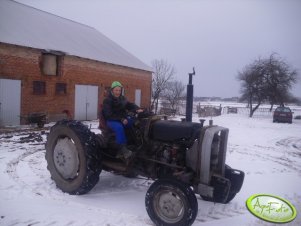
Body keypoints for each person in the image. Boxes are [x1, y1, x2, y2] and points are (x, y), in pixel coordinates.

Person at [102, 81, 143, 159]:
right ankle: (122, 150)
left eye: (119, 90)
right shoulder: (107, 101)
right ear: (112, 90)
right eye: (116, 90)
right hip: (111, 120)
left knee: (133, 122)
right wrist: (121, 119)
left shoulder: (122, 99)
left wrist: (137, 109)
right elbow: (108, 115)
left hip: (122, 118)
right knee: (119, 128)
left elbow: (129, 105)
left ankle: (135, 142)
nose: (118, 92)